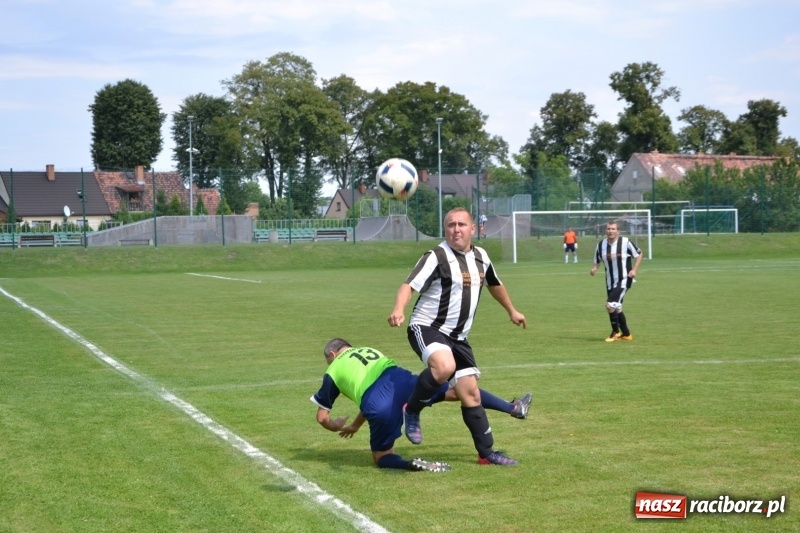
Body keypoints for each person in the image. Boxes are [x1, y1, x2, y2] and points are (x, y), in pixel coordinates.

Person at [388, 207, 527, 466]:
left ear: (473, 229)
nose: (456, 229)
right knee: (444, 366)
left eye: (462, 224)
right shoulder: (436, 256)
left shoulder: (481, 257)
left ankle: (487, 453)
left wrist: (512, 310)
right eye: (451, 225)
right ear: (445, 229)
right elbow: (409, 285)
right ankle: (413, 409)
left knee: (470, 393)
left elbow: (494, 284)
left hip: (458, 338)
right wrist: (399, 309)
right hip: (426, 327)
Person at [311, 338, 533, 472]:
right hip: (403, 382)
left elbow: (322, 417)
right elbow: (377, 386)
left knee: (382, 455)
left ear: (332, 354)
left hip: (376, 402)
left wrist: (337, 425)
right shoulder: (366, 350)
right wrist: (356, 425)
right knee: (459, 392)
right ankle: (513, 407)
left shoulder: (333, 369)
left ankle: (410, 464)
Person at [590, 221, 643, 342]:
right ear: (605, 231)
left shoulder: (625, 242)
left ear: (618, 231)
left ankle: (615, 332)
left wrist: (634, 270)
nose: (610, 231)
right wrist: (594, 269)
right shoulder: (601, 245)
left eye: (613, 229)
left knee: (609, 305)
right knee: (617, 308)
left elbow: (639, 254)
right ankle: (626, 334)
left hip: (624, 279)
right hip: (610, 281)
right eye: (608, 229)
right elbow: (597, 260)